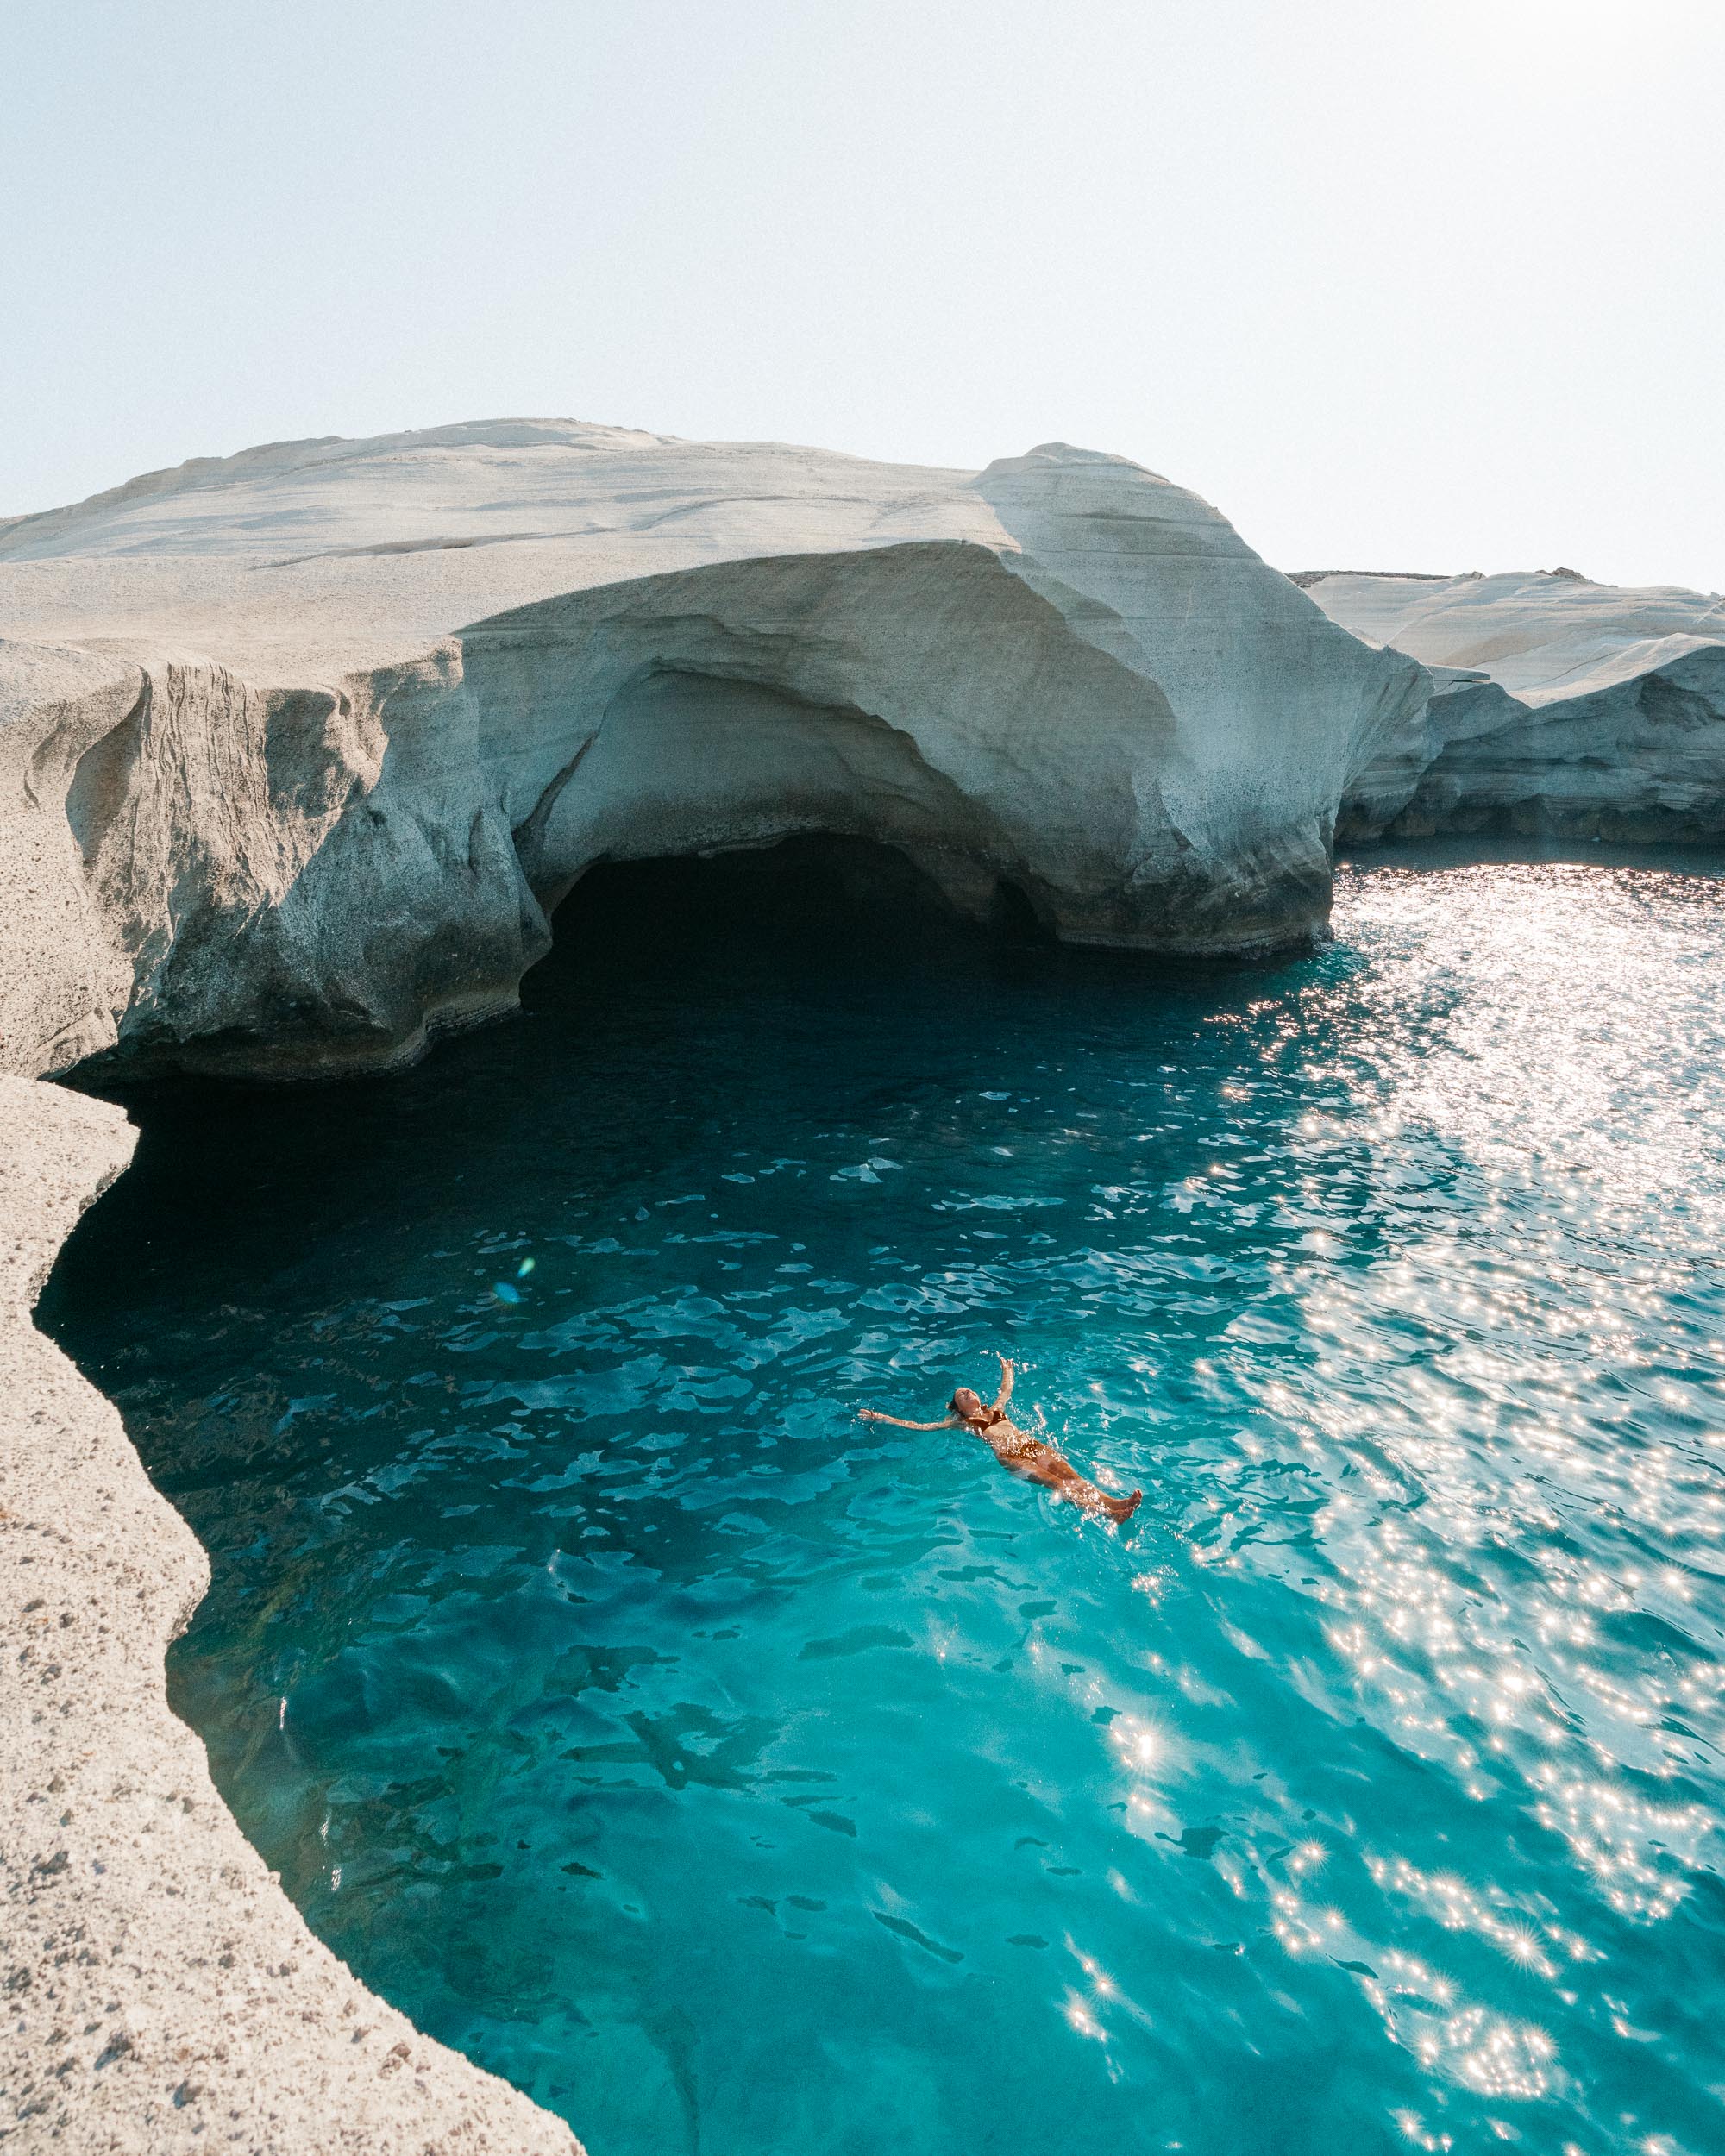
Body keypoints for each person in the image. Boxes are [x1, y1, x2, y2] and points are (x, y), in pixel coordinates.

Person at [860, 1356, 1141, 1524]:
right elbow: (922, 1426)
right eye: (961, 1395)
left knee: (1071, 1475)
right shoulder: (962, 1422)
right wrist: (883, 1418)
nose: (967, 1393)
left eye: (969, 1390)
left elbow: (1007, 1389)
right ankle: (1107, 1514)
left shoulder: (997, 1408)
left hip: (1030, 1445)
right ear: (958, 1407)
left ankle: (1114, 1503)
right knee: (1056, 1483)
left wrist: (1007, 1370)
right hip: (1011, 1457)